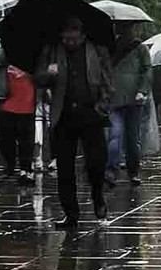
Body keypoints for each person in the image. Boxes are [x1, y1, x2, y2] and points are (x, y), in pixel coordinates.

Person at [35, 14, 114, 229]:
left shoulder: (96, 50)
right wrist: (49, 74)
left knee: (96, 163)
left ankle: (98, 198)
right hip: (64, 116)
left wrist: (103, 106)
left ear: (82, 35)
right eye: (66, 38)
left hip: (91, 113)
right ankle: (71, 214)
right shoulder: (52, 50)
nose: (70, 42)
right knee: (65, 168)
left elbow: (108, 81)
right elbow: (38, 78)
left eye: (74, 38)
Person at [105, 23, 153, 186]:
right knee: (116, 135)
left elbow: (147, 70)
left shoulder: (140, 49)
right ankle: (112, 169)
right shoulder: (111, 48)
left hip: (133, 99)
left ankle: (133, 171)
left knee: (131, 137)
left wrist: (142, 90)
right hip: (116, 98)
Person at [0, 33, 37, 181]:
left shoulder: (35, 43)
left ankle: (25, 169)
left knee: (26, 137)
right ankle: (10, 164)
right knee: (5, 136)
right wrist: (10, 49)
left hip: (28, 97)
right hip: (6, 97)